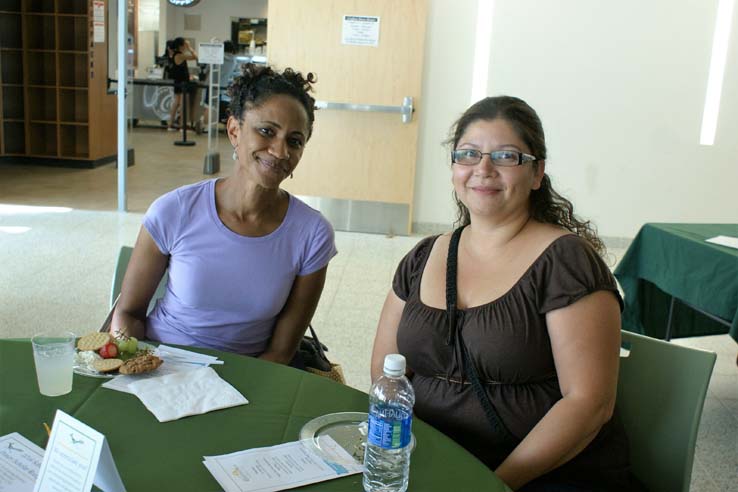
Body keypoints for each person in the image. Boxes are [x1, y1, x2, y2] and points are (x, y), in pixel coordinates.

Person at [370, 96, 645, 491]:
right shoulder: (425, 256)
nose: (483, 169)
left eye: (506, 156)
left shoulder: (565, 262)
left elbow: (589, 404)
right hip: (433, 460)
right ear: (453, 168)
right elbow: (386, 369)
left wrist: (491, 484)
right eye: (468, 154)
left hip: (541, 474)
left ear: (537, 174)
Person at [112, 63, 336, 366]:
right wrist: (131, 362)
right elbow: (128, 313)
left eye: (295, 141)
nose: (281, 152)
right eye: (267, 131)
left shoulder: (312, 234)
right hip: (161, 367)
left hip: (248, 377)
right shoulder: (175, 211)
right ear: (234, 130)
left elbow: (281, 352)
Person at [167, 37, 198, 131]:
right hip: (182, 83)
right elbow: (195, 57)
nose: (186, 46)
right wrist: (190, 47)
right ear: (181, 46)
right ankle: (181, 125)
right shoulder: (179, 55)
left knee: (177, 103)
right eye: (184, 44)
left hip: (179, 82)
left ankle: (171, 124)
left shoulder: (176, 54)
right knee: (182, 104)